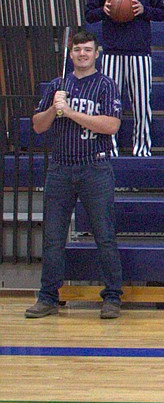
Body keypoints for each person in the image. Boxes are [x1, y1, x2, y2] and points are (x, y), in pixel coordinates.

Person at [25, 31, 123, 320]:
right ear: (71, 54)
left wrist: (70, 112)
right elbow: (38, 126)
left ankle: (113, 296)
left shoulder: (106, 86)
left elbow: (111, 125)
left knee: (104, 235)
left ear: (96, 53)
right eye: (77, 49)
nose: (82, 54)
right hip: (60, 167)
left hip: (95, 166)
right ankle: (48, 297)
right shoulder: (58, 86)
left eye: (87, 49)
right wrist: (54, 111)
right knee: (53, 237)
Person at [85, 0, 164, 157]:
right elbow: (89, 14)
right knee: (110, 103)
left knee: (142, 104)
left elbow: (163, 12)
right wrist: (103, 10)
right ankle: (108, 147)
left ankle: (142, 148)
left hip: (140, 50)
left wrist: (144, 10)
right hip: (112, 49)